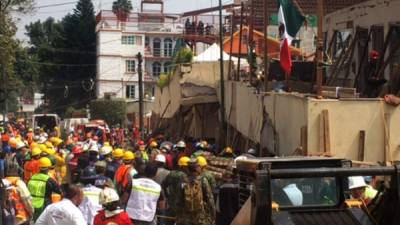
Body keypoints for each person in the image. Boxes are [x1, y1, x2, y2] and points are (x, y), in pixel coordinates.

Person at [176, 158, 215, 225]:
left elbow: (178, 199)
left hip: (186, 215)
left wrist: (178, 215)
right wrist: (213, 214)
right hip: (200, 216)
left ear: (188, 169)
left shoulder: (183, 181)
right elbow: (210, 198)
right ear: (197, 168)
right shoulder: (202, 180)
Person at [28, 157, 62, 221]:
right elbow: (60, 191)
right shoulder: (49, 180)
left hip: (32, 204)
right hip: (44, 205)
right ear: (48, 168)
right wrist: (59, 180)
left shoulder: (32, 177)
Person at [162, 156, 190, 223]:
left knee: (168, 221)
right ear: (183, 166)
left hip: (171, 202)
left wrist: (167, 195)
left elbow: (163, 185)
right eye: (188, 166)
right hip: (181, 204)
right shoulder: (184, 176)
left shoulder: (171, 173)